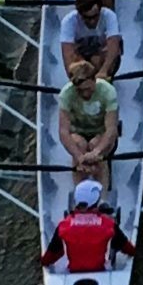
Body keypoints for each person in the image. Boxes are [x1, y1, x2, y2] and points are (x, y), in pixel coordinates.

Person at [40, 178, 137, 273]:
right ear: (97, 201)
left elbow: (49, 258)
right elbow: (129, 249)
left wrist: (42, 261)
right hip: (102, 272)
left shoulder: (63, 226)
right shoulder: (109, 225)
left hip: (73, 272)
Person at [57, 60, 119, 191]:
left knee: (95, 146)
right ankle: (81, 196)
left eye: (88, 89)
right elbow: (63, 132)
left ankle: (102, 200)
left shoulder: (108, 92)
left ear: (94, 80)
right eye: (80, 91)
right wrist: (79, 156)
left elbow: (111, 130)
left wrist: (96, 152)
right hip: (78, 133)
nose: (85, 94)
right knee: (78, 145)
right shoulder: (66, 94)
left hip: (100, 133)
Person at [59, 0, 122, 81]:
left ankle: (104, 79)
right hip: (81, 58)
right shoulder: (68, 21)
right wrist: (73, 78)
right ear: (79, 14)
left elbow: (113, 44)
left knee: (105, 55)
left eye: (95, 16)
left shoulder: (109, 15)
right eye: (87, 18)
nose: (92, 21)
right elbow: (67, 53)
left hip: (101, 56)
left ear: (100, 10)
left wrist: (104, 71)